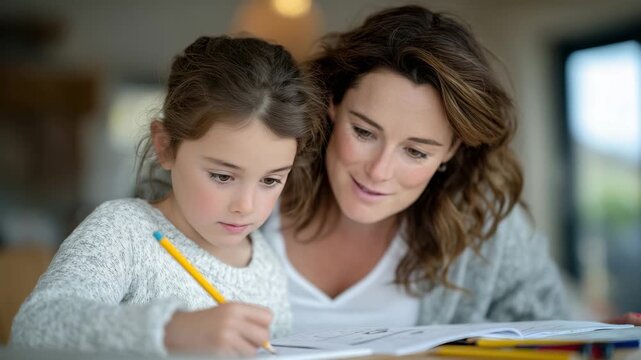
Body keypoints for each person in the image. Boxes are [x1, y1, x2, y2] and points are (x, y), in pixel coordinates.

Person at [262, 4, 641, 333]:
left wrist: (583, 340)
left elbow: (547, 324)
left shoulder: (486, 225)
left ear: (452, 150)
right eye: (364, 132)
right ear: (334, 104)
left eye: (416, 152)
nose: (379, 171)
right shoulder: (254, 185)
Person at [10, 35, 323, 356]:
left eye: (270, 181)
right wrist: (171, 330)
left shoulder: (267, 267)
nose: (246, 206)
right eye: (222, 176)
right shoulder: (123, 232)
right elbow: (35, 326)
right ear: (165, 146)